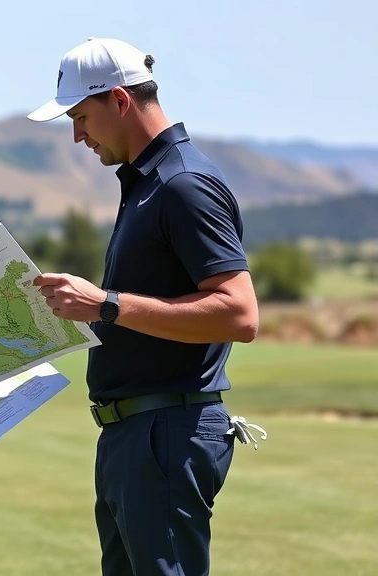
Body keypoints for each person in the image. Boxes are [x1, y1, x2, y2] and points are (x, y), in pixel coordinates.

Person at [26, 37, 264, 576]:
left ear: (120, 100)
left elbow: (239, 315)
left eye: (82, 117)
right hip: (134, 434)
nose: (76, 134)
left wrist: (106, 305)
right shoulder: (147, 183)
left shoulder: (183, 184)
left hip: (164, 434)